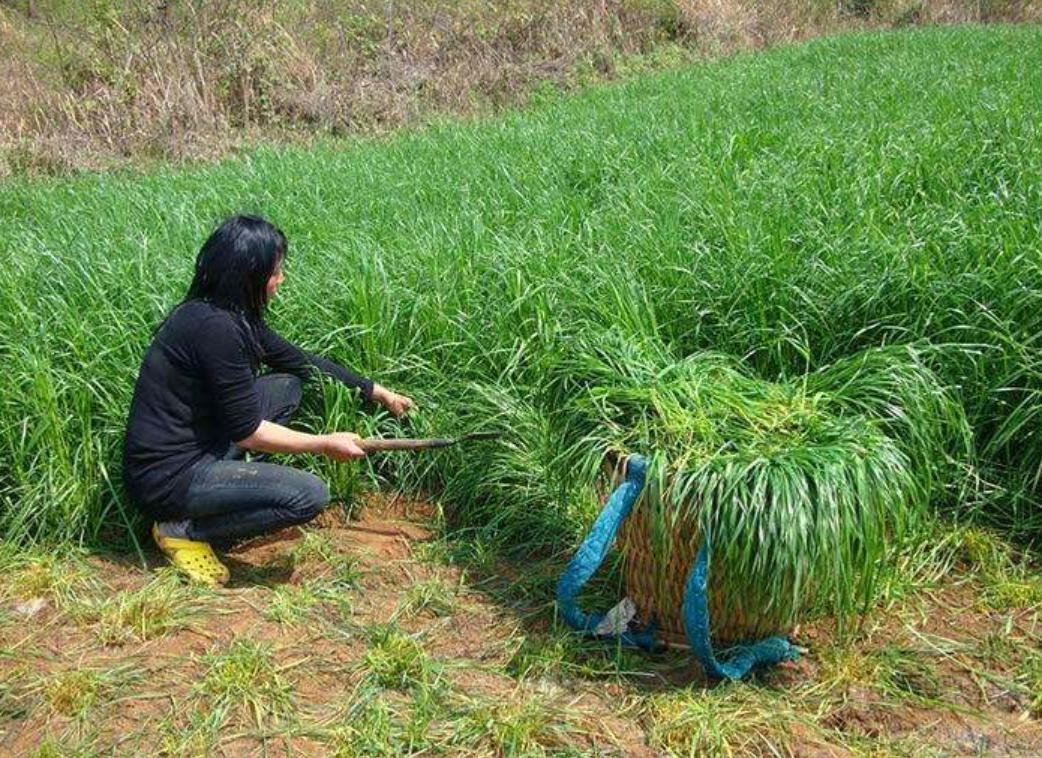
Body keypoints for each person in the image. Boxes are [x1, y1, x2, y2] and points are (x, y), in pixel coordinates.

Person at [122, 214, 414, 586]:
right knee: (308, 495)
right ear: (249, 277)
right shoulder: (216, 330)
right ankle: (184, 528)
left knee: (287, 386)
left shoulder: (227, 313)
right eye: (276, 272)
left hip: (199, 442)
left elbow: (300, 361)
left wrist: (377, 391)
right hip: (167, 477)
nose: (281, 280)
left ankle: (235, 486)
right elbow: (247, 432)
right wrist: (324, 444)